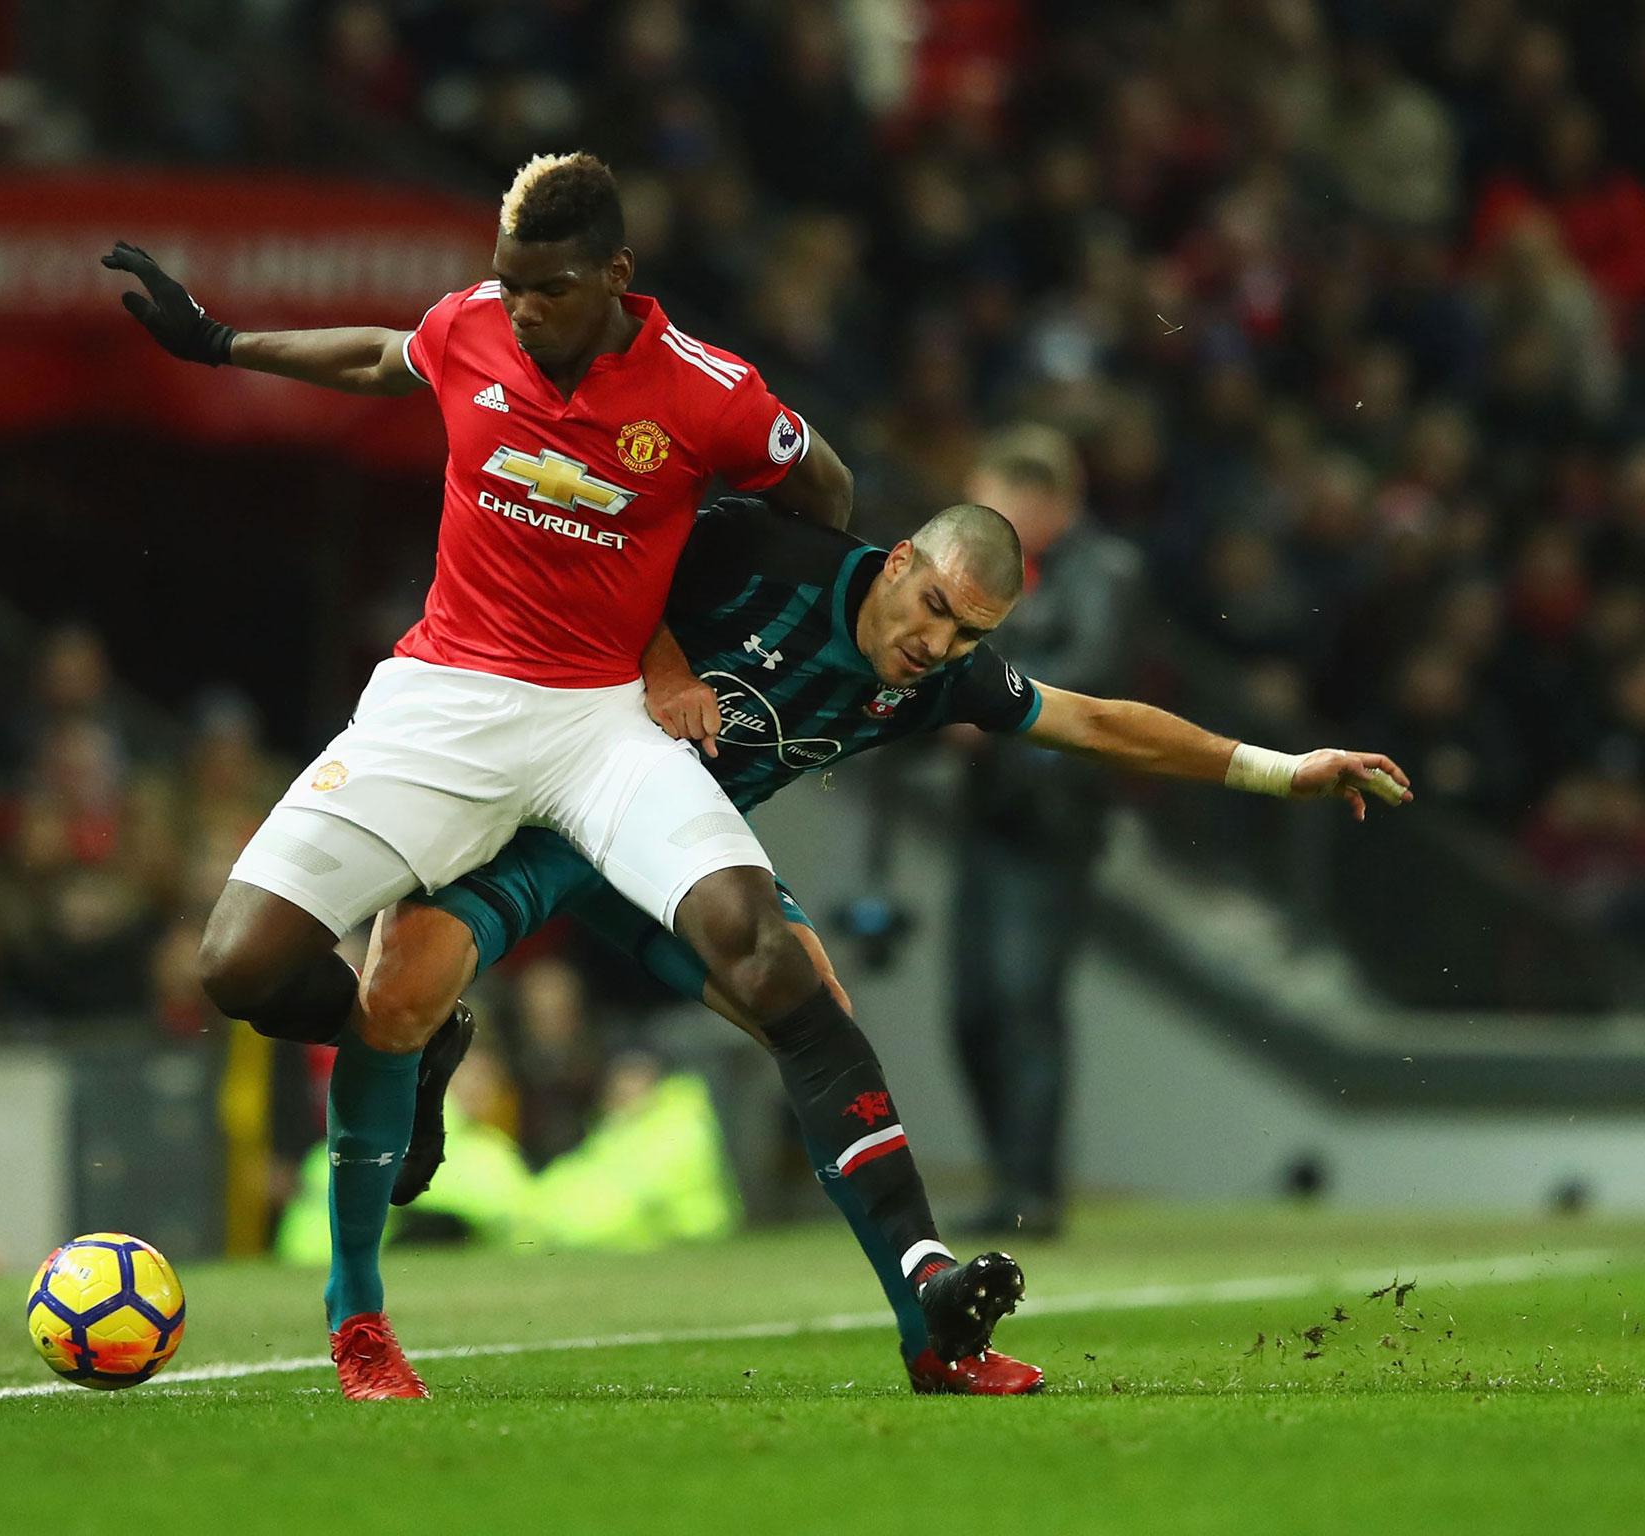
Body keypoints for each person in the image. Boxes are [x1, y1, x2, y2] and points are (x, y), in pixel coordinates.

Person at [108, 153, 999, 1403]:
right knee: (240, 966)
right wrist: (218, 342)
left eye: (545, 286)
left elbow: (823, 492)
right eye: (506, 280)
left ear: (616, 279)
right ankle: (412, 1084)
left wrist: (695, 624)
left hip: (597, 722)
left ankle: (926, 1309)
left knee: (767, 957)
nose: (516, 305)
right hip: (443, 704)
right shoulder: (470, 326)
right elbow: (381, 358)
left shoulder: (707, 391)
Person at [367, 493, 1414, 1396]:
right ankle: (410, 1083)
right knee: (387, 976)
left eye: (970, 635)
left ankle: (930, 1304)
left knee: (816, 1011)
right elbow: (605, 566)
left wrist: (1281, 768)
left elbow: (1097, 723)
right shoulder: (766, 553)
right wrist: (669, 663)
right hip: (558, 795)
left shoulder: (936, 678)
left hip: (676, 860)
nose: (939, 646)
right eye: (935, 611)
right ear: (899, 561)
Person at [952, 425, 1142, 1238]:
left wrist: (987, 702)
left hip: (1051, 817)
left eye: (995, 506)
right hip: (991, 810)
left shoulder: (1104, 571)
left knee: (1023, 999)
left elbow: (1091, 671)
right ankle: (1010, 1176)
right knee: (972, 1009)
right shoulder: (1009, 578)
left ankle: (1032, 1189)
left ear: (1042, 501)